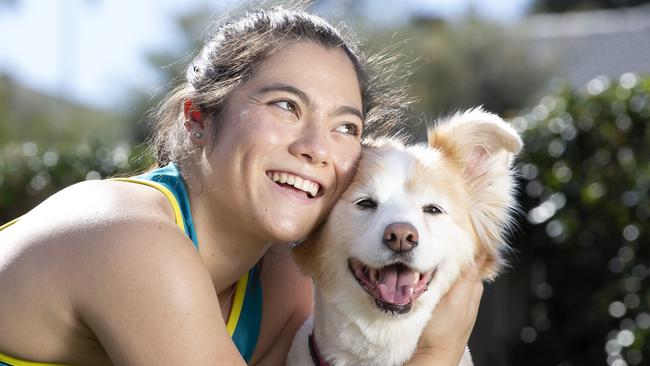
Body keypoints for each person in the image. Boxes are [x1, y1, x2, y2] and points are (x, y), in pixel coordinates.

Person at [0, 6, 484, 366]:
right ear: (197, 118)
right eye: (285, 106)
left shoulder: (284, 277)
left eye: (345, 127)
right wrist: (438, 352)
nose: (317, 147)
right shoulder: (126, 236)